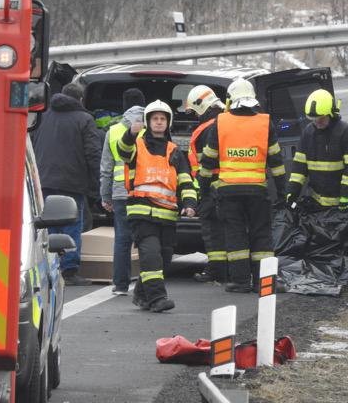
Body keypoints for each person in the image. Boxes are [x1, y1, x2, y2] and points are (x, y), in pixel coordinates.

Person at [197, 78, 287, 293]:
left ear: (230, 99)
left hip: (228, 191)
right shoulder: (265, 123)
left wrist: (203, 189)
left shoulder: (222, 122)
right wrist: (283, 192)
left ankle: (239, 281)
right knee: (261, 235)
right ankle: (262, 282)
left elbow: (208, 160)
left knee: (235, 235)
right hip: (258, 190)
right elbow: (276, 162)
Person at [117, 99, 197, 312]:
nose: (159, 122)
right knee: (151, 255)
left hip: (167, 215)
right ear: (148, 122)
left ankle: (141, 295)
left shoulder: (174, 151)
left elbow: (185, 181)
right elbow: (123, 151)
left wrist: (189, 203)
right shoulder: (137, 145)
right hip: (142, 213)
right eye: (155, 119)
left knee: (163, 260)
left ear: (168, 123)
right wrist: (130, 134)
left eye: (162, 119)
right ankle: (157, 299)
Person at [31, 82, 102, 285]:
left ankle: (48, 266)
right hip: (72, 182)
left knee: (49, 224)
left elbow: (33, 144)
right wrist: (97, 185)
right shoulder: (85, 119)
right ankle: (69, 270)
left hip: (44, 179)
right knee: (71, 225)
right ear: (80, 99)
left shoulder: (43, 116)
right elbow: (93, 153)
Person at [286, 88, 348, 257]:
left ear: (331, 113)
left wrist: (345, 197)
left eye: (320, 118)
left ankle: (343, 276)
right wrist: (292, 192)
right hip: (319, 202)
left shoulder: (347, 133)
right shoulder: (308, 133)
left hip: (345, 204)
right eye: (313, 119)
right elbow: (299, 167)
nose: (317, 122)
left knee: (342, 247)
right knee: (322, 247)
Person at [100, 88, 146, 296]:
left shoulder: (114, 130)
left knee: (122, 240)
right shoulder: (153, 127)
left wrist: (105, 196)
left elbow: (106, 168)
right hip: (146, 191)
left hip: (120, 192)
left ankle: (120, 285)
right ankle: (148, 284)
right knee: (148, 238)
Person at [185, 85, 227, 283]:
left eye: (193, 112)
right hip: (229, 186)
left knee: (213, 232)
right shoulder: (225, 121)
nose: (194, 117)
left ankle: (216, 270)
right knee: (231, 231)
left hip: (210, 188)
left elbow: (205, 165)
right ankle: (230, 270)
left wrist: (200, 191)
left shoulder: (206, 130)